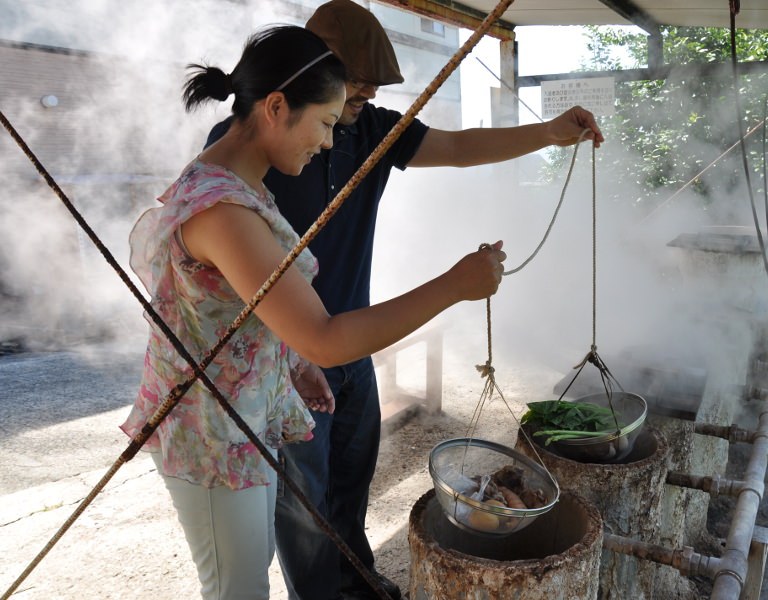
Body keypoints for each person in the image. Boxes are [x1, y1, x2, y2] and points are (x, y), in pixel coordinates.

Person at [208, 3, 603, 599]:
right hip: (287, 353)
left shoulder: (368, 130)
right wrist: (450, 286)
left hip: (352, 339)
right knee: (302, 504)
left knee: (351, 478)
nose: (344, 119)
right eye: (339, 103)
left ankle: (356, 580)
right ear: (290, 95)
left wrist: (548, 133)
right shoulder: (244, 155)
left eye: (361, 98)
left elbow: (459, 145)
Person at [121, 24, 506, 600]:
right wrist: (454, 284)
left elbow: (237, 310)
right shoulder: (225, 209)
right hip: (211, 436)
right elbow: (326, 338)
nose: (329, 142)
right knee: (238, 589)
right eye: (326, 123)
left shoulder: (243, 187)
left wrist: (283, 359)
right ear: (277, 107)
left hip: (238, 414)